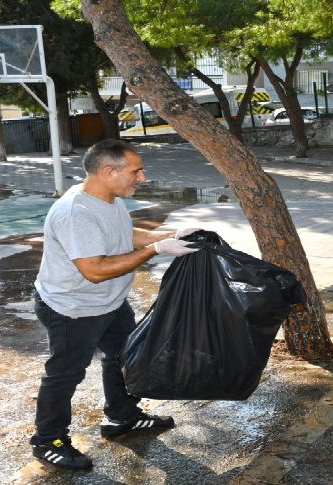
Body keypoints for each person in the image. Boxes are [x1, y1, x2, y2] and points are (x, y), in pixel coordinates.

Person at [30, 139, 201, 470]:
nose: (143, 177)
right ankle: (47, 440)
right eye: (136, 171)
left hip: (110, 302)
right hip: (73, 309)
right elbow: (94, 270)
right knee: (64, 374)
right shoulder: (75, 212)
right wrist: (156, 250)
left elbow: (123, 234)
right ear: (108, 171)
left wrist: (170, 235)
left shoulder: (109, 200)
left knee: (123, 358)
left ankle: (121, 416)